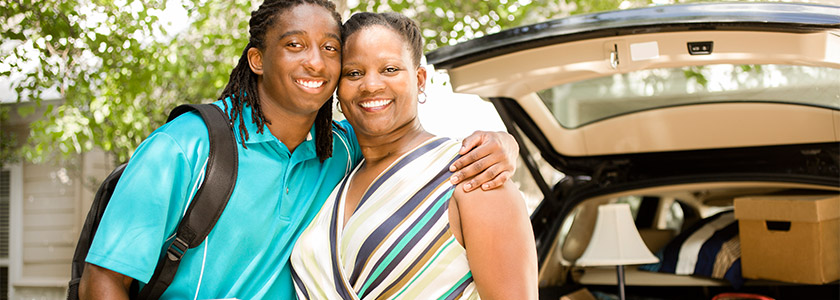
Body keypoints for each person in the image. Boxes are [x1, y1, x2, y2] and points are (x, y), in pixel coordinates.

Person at [78, 1, 518, 299]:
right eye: (294, 45)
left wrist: (504, 144)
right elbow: (103, 279)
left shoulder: (343, 152)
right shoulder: (184, 147)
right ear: (257, 59)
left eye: (330, 49)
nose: (315, 62)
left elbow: (403, 148)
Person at [290, 12, 538, 300]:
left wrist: (507, 141)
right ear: (337, 88)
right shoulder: (335, 168)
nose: (371, 85)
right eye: (354, 73)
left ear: (420, 79)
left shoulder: (472, 174)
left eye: (390, 69)